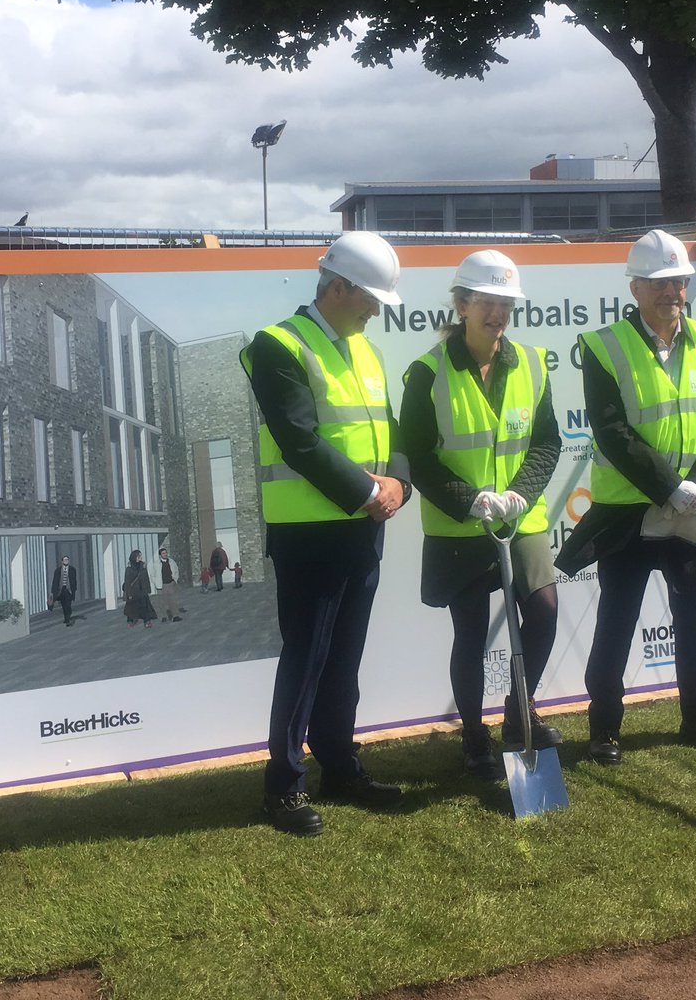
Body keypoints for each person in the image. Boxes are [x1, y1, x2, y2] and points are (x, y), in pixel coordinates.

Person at [240, 230, 411, 835]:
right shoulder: (278, 345)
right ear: (337, 287)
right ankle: (283, 786)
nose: (373, 311)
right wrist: (370, 492)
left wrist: (399, 485)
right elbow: (300, 439)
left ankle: (341, 766)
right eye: (368, 298)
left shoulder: (364, 347)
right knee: (306, 659)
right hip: (309, 532)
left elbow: (388, 430)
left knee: (345, 660)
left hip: (363, 528)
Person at [556, 229, 696, 766]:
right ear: (635, 287)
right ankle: (603, 731)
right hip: (631, 510)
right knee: (617, 618)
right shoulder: (603, 346)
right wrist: (668, 487)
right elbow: (612, 431)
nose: (672, 292)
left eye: (679, 281)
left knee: (695, 618)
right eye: (660, 283)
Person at [401, 250, 562, 780]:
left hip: (519, 518)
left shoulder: (533, 364)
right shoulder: (426, 373)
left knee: (542, 610)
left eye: (506, 303)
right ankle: (474, 733)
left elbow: (546, 442)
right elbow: (418, 458)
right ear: (463, 304)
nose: (497, 313)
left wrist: (520, 492)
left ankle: (519, 711)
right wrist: (468, 498)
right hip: (459, 525)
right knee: (470, 631)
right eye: (487, 302)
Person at [123, 550, 158, 628]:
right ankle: (130, 621)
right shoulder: (129, 568)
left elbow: (146, 578)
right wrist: (129, 594)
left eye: (140, 556)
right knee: (131, 608)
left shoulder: (143, 566)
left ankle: (147, 622)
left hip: (142, 591)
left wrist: (148, 589)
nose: (141, 558)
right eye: (139, 556)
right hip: (133, 592)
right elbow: (128, 582)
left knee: (145, 607)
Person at [50, 555, 77, 626]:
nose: (66, 561)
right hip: (61, 591)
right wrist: (53, 592)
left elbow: (74, 580)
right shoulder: (58, 570)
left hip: (68, 590)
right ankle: (66, 618)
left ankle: (68, 619)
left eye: (67, 560)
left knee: (68, 605)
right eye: (65, 560)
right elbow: (55, 582)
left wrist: (74, 589)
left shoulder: (72, 569)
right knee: (64, 605)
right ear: (62, 561)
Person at [157, 547, 183, 621]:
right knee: (163, 602)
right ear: (160, 555)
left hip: (171, 583)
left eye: (166, 553)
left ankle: (175, 616)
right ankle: (164, 616)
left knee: (173, 601)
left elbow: (176, 570)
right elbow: (153, 574)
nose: (165, 554)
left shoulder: (171, 562)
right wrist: (157, 583)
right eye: (163, 553)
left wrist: (175, 579)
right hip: (162, 585)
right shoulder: (157, 564)